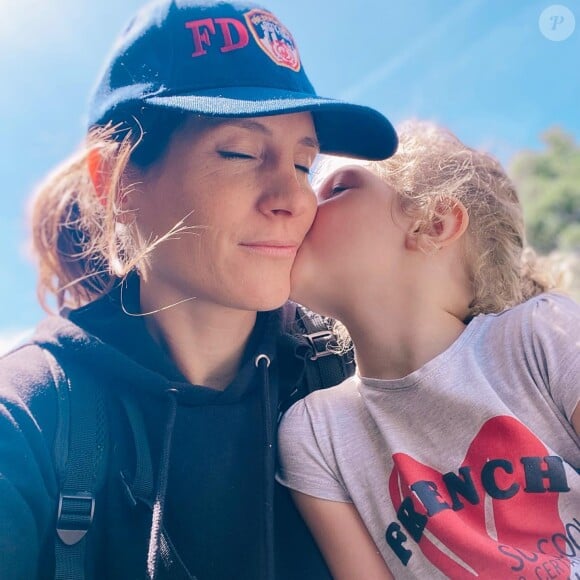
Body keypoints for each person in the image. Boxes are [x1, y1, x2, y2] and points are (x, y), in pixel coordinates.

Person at [0, 1, 398, 578]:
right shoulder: (31, 417)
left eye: (304, 164)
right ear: (114, 178)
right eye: (238, 152)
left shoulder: (353, 374)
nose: (290, 198)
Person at [277, 121, 580, 580]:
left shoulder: (539, 333)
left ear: (434, 223)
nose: (302, 205)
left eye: (337, 189)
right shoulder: (314, 432)